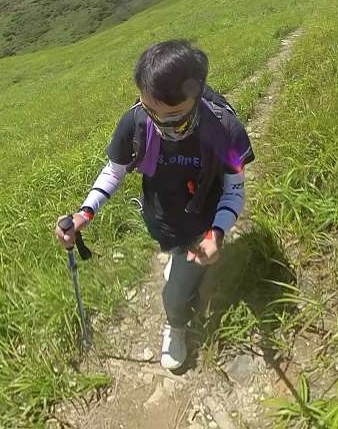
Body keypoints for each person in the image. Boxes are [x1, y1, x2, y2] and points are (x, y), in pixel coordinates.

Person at [55, 39, 255, 370]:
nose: (161, 124)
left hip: (202, 223)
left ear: (197, 95)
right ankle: (176, 260)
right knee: (173, 252)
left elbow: (234, 189)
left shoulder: (226, 130)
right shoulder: (136, 120)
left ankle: (176, 324)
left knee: (175, 295)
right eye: (152, 111)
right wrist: (84, 213)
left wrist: (216, 233)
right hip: (159, 214)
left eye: (174, 116)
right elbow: (115, 170)